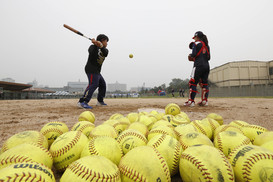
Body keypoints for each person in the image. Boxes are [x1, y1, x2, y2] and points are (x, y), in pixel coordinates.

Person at [78, 34, 109, 109]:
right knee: (94, 84)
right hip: (91, 69)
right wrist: (95, 45)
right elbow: (91, 52)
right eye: (106, 41)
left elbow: (105, 53)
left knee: (102, 84)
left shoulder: (105, 49)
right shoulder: (92, 47)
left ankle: (100, 101)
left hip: (97, 71)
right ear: (102, 40)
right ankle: (82, 102)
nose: (107, 43)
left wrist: (100, 46)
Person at [184, 31, 210, 107]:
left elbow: (194, 54)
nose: (194, 39)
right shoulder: (207, 46)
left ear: (197, 37)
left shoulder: (196, 44)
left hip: (198, 66)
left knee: (193, 82)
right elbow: (209, 58)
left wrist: (190, 55)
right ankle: (205, 101)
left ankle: (191, 101)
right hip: (206, 66)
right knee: (204, 83)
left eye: (194, 37)